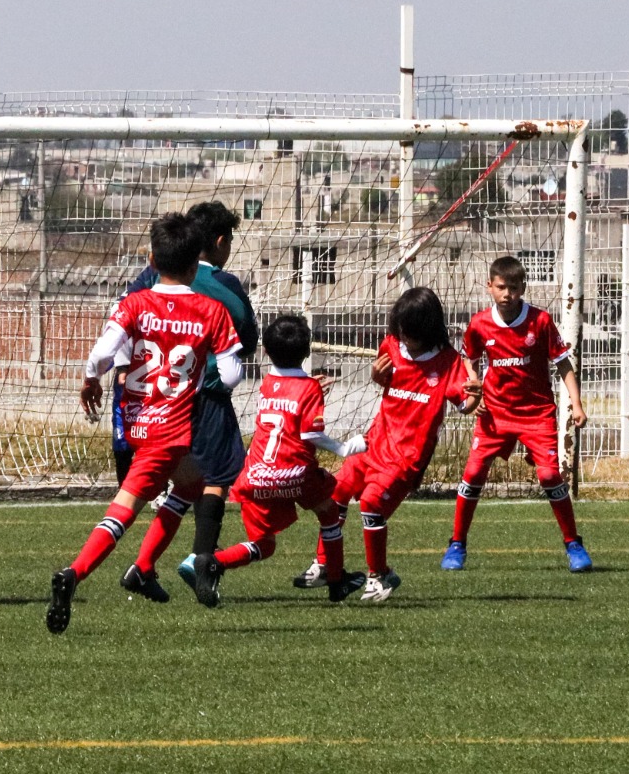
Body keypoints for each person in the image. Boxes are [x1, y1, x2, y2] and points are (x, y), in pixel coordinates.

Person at [48, 213, 243, 634]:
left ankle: (143, 567)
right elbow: (231, 375)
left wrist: (90, 379)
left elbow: (102, 355)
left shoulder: (135, 302)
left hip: (137, 421)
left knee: (191, 485)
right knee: (123, 511)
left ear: (152, 260)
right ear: (194, 264)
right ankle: (73, 574)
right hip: (170, 430)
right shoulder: (211, 310)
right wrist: (201, 373)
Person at [115, 201, 259, 604]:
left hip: (159, 398)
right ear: (219, 242)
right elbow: (247, 338)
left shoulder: (152, 276)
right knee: (217, 478)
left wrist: (123, 370)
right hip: (206, 393)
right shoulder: (225, 286)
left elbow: (123, 317)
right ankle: (201, 560)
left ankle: (143, 566)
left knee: (186, 481)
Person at [294, 287, 478, 602]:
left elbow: (465, 405)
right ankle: (325, 564)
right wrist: (377, 377)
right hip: (374, 442)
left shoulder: (448, 362)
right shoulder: (391, 345)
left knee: (371, 503)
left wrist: (475, 394)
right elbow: (386, 383)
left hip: (406, 457)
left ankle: (380, 575)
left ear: (428, 329)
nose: (403, 337)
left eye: (410, 333)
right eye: (400, 330)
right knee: (336, 491)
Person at [192, 315, 369, 606]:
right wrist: (345, 448)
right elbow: (310, 432)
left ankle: (213, 562)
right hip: (295, 472)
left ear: (265, 351)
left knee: (264, 544)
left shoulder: (267, 382)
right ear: (308, 351)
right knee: (329, 512)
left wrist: (309, 388)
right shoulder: (309, 388)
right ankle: (336, 581)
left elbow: (287, 401)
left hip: (256, 473)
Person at [445, 255, 592, 573]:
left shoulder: (540, 321)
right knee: (473, 474)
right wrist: (474, 388)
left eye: (513, 287)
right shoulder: (479, 324)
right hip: (495, 414)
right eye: (501, 287)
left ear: (523, 287)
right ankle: (457, 544)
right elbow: (468, 359)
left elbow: (563, 363)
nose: (507, 294)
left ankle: (573, 544)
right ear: (489, 286)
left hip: (536, 413)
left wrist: (576, 403)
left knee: (550, 476)